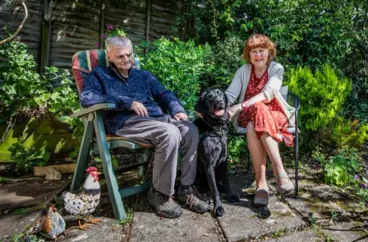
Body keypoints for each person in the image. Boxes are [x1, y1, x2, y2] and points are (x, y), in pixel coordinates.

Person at [79, 36, 208, 218]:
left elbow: (164, 93)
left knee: (190, 130)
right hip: (125, 122)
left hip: (155, 119)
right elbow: (86, 99)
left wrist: (177, 109)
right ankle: (160, 194)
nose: (126, 60)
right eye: (120, 57)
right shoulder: (99, 75)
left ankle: (185, 188)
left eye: (129, 55)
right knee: (170, 133)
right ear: (109, 57)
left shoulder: (143, 75)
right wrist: (126, 102)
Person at [225, 34, 295, 207]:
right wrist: (216, 105)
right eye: (253, 52)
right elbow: (230, 95)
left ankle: (261, 183)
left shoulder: (276, 68)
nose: (258, 55)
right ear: (248, 55)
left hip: (275, 115)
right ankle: (280, 173)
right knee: (256, 112)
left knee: (255, 119)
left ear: (269, 52)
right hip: (249, 114)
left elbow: (268, 93)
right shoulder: (243, 71)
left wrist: (239, 106)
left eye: (261, 50)